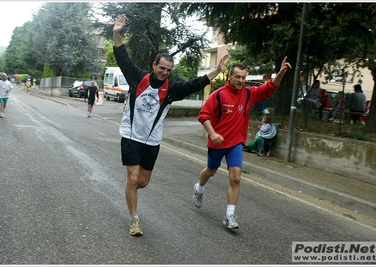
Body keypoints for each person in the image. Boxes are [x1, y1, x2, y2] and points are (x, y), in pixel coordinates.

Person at [112, 14, 229, 236]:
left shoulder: (171, 89)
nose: (165, 73)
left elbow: (196, 83)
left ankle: (131, 190)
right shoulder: (137, 78)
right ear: (154, 65)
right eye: (162, 68)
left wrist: (217, 71)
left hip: (153, 141)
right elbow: (122, 56)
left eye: (168, 70)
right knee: (134, 178)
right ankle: (134, 219)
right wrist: (117, 32)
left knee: (143, 182)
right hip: (131, 135)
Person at [193, 58, 291, 229]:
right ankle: (199, 189)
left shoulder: (248, 94)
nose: (240, 81)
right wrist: (213, 133)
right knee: (210, 171)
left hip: (236, 143)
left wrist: (281, 73)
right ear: (229, 77)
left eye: (243, 78)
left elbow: (269, 88)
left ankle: (230, 215)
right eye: (237, 77)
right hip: (217, 142)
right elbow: (203, 115)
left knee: (236, 177)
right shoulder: (219, 94)